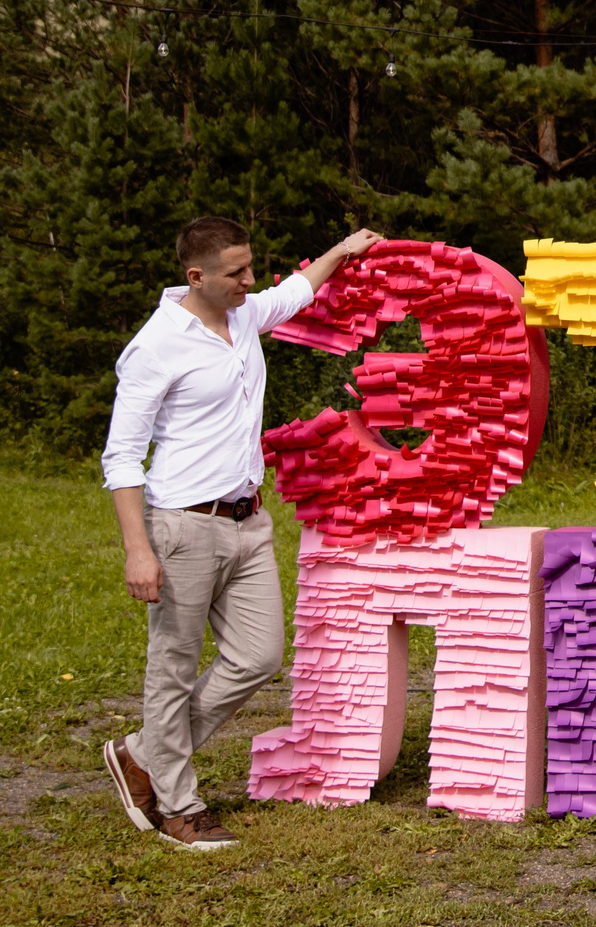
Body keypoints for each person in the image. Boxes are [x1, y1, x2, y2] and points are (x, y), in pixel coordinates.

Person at [96, 216, 382, 851]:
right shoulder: (156, 346)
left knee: (258, 657)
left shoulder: (244, 314)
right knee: (171, 670)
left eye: (252, 267)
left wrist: (344, 248)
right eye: (237, 272)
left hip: (248, 520)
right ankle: (179, 806)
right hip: (183, 527)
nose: (250, 281)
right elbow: (121, 456)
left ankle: (144, 753)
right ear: (195, 277)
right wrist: (137, 549)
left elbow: (296, 291)